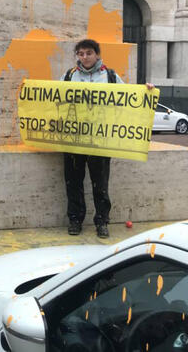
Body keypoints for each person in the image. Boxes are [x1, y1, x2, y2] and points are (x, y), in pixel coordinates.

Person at [61, 39, 154, 239]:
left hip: (101, 141)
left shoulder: (110, 76)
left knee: (100, 183)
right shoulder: (69, 76)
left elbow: (129, 98)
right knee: (73, 182)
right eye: (80, 54)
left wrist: (145, 90)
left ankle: (102, 221)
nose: (84, 57)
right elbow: (53, 98)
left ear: (97, 54)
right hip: (74, 140)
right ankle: (75, 220)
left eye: (88, 53)